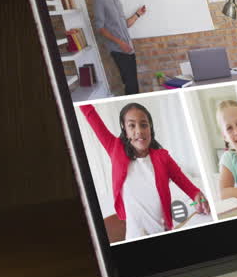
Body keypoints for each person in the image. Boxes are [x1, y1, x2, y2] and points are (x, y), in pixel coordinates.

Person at [81, 102, 209, 239]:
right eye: (132, 125)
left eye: (143, 125)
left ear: (150, 128)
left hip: (163, 231)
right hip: (134, 237)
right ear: (125, 130)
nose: (139, 131)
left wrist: (198, 197)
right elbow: (90, 115)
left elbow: (188, 186)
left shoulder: (163, 157)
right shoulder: (115, 149)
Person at [91, 0, 147, 95]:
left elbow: (124, 24)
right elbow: (100, 27)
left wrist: (138, 14)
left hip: (129, 48)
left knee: (133, 84)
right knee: (130, 85)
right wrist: (120, 43)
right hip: (119, 50)